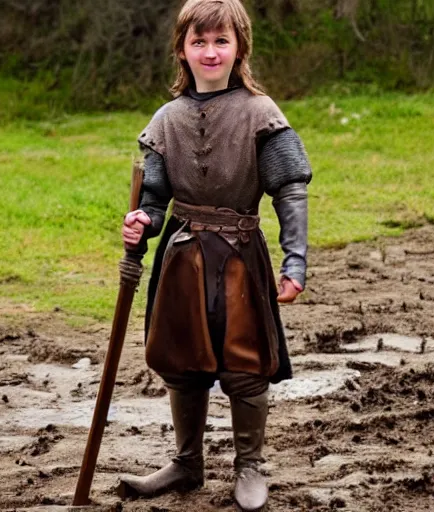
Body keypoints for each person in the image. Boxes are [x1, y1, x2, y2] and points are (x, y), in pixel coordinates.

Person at [119, 0, 312, 510]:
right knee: (181, 360)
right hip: (182, 257)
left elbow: (290, 189)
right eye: (199, 42)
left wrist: (295, 263)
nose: (210, 51)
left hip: (240, 256)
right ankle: (187, 464)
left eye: (220, 41)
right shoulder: (165, 121)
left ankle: (249, 465)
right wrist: (144, 220)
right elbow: (155, 200)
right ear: (182, 49)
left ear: (239, 47)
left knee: (245, 362)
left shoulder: (260, 113)